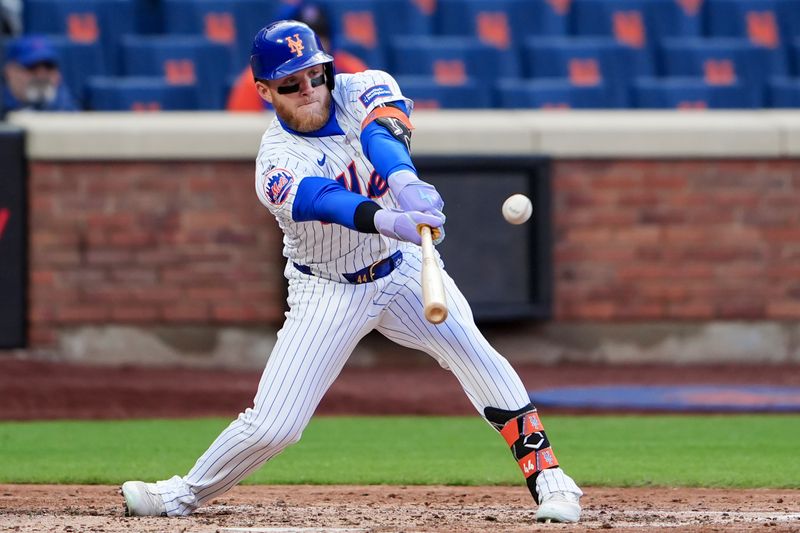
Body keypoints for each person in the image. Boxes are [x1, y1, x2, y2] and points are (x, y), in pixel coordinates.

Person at [121, 20, 583, 524]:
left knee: (476, 356)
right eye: (290, 84)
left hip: (400, 269)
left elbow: (381, 133)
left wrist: (404, 181)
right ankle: (180, 495)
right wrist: (388, 215)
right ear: (264, 91)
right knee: (276, 426)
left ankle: (554, 484)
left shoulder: (363, 85)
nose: (308, 90)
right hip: (327, 287)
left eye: (315, 74)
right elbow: (325, 200)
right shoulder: (275, 160)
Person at [226, 2, 367, 111]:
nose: (312, 44)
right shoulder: (257, 80)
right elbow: (239, 132)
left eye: (320, 35)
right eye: (300, 38)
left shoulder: (352, 70)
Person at [2, 34, 77, 112]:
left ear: (58, 75)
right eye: (32, 67)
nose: (41, 75)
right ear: (9, 72)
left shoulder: (67, 108)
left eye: (49, 66)